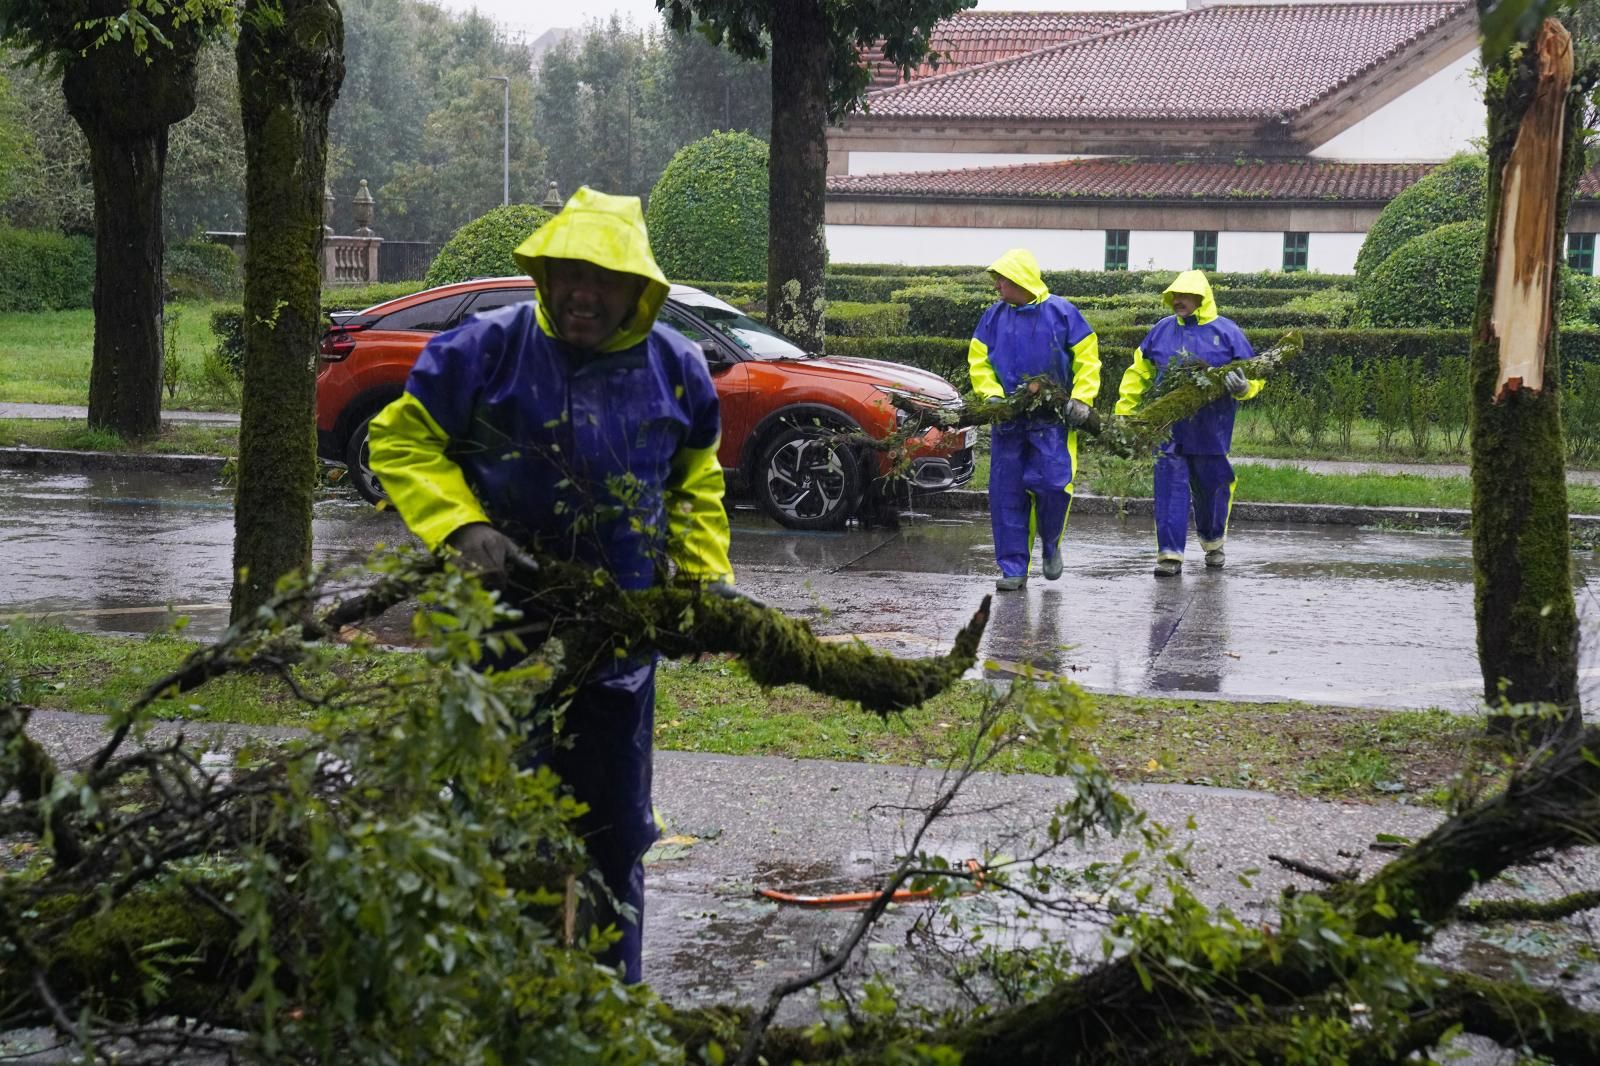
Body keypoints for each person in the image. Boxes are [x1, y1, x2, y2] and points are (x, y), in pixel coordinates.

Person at [366, 185, 736, 984]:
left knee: (612, 829)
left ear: (639, 289)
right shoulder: (484, 351)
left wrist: (700, 580)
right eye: (570, 273)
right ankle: (490, 993)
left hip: (618, 642)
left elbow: (696, 479)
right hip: (498, 629)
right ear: (546, 274)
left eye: (604, 279)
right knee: (491, 814)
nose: (584, 294)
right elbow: (402, 441)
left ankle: (610, 995)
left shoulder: (673, 367)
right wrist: (463, 526)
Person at [967, 248, 1101, 591]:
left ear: (1020, 280)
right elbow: (979, 361)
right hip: (1009, 422)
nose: (997, 286)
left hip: (1053, 421)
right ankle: (1013, 568)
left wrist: (1082, 399)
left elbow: (1087, 358)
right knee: (1006, 494)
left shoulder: (1062, 313)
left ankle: (1051, 542)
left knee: (1055, 485)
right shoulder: (993, 317)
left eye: (1003, 280)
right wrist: (992, 396)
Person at [1116, 269, 1261, 577]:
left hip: (1211, 428)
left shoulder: (1228, 332)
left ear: (1201, 298)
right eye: (1173, 296)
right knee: (1169, 486)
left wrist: (1244, 388)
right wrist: (1126, 410)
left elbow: (1256, 373)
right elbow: (1138, 372)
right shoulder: (1162, 331)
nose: (1177, 301)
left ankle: (1213, 542)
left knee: (1213, 487)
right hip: (1168, 429)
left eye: (1183, 296)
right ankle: (1169, 555)